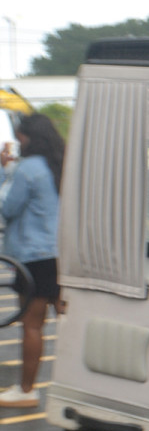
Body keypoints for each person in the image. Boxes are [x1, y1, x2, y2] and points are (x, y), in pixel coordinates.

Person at [0, 114, 65, 409]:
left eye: (19, 136)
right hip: (60, 254)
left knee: (32, 325)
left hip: (34, 258)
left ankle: (26, 390)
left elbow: (8, 207)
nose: (17, 141)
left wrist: (3, 174)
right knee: (67, 321)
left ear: (29, 137)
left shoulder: (29, 168)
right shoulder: (60, 164)